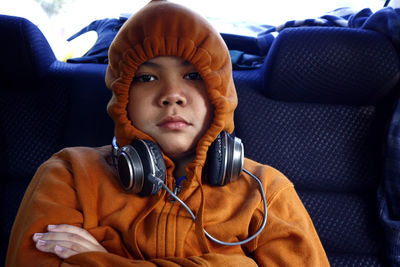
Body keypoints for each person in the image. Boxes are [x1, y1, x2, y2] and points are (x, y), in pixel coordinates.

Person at [6, 1, 330, 266]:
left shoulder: (266, 191)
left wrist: (100, 260)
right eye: (146, 78)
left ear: (221, 94)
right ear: (122, 97)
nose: (172, 94)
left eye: (192, 75)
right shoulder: (69, 174)